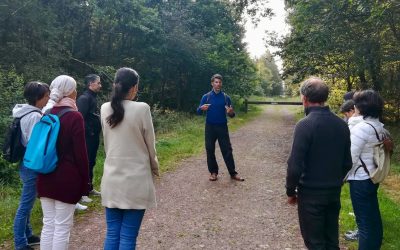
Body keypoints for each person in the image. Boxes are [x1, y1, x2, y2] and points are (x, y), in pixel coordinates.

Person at [286, 77, 352, 249]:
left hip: (310, 194)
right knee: (331, 241)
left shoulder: (305, 125)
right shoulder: (342, 125)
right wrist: (334, 181)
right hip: (333, 192)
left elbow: (295, 165)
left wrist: (290, 191)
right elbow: (347, 163)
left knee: (315, 243)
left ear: (304, 99)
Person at [100, 67, 159, 250]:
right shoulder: (142, 109)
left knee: (112, 233)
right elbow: (151, 145)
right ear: (134, 88)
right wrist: (155, 167)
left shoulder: (104, 108)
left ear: (115, 85)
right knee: (127, 236)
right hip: (136, 181)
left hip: (111, 179)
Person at [37, 75, 89, 250]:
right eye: (74, 88)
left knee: (49, 225)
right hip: (67, 179)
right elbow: (81, 154)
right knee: (62, 227)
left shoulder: (46, 113)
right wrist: (86, 181)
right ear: (70, 92)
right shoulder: (75, 116)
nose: (76, 92)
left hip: (44, 176)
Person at [345, 90, 385, 250]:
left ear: (361, 107)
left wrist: (340, 177)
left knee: (364, 223)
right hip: (371, 176)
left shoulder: (362, 128)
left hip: (360, 179)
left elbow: (350, 158)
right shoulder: (378, 125)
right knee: (372, 219)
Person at [12, 82, 50, 250]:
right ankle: (20, 243)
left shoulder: (22, 112)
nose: (48, 98)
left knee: (27, 201)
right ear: (38, 97)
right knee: (25, 205)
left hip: (24, 162)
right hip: (32, 163)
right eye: (46, 95)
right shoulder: (35, 116)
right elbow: (38, 143)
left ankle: (28, 235)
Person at [196, 74, 244, 181]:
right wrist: (201, 109)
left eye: (220, 82)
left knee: (227, 150)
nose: (218, 84)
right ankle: (213, 173)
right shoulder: (206, 97)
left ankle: (233, 173)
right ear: (212, 83)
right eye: (216, 82)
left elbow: (232, 115)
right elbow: (198, 111)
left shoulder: (226, 98)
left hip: (222, 127)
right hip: (210, 127)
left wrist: (231, 112)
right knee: (210, 149)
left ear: (221, 84)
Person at [77, 74, 102, 204]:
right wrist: (90, 132)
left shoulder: (93, 97)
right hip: (87, 138)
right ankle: (82, 193)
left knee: (91, 162)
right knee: (85, 163)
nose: (100, 85)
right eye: (98, 83)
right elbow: (80, 118)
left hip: (93, 137)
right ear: (91, 84)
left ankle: (89, 188)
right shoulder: (84, 98)